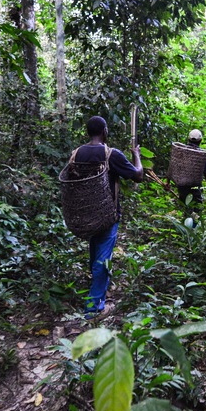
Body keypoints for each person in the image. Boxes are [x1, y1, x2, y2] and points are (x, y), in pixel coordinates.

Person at [74, 115, 143, 319]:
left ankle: (96, 293)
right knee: (102, 260)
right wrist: (136, 155)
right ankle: (93, 309)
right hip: (106, 215)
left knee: (96, 253)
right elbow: (138, 175)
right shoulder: (111, 154)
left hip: (86, 214)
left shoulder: (76, 154)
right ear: (105, 131)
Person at [164, 129, 206, 208]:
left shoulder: (180, 152)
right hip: (194, 187)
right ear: (200, 140)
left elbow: (172, 167)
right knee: (196, 209)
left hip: (181, 186)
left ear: (188, 139)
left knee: (184, 208)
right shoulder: (201, 155)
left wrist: (167, 182)